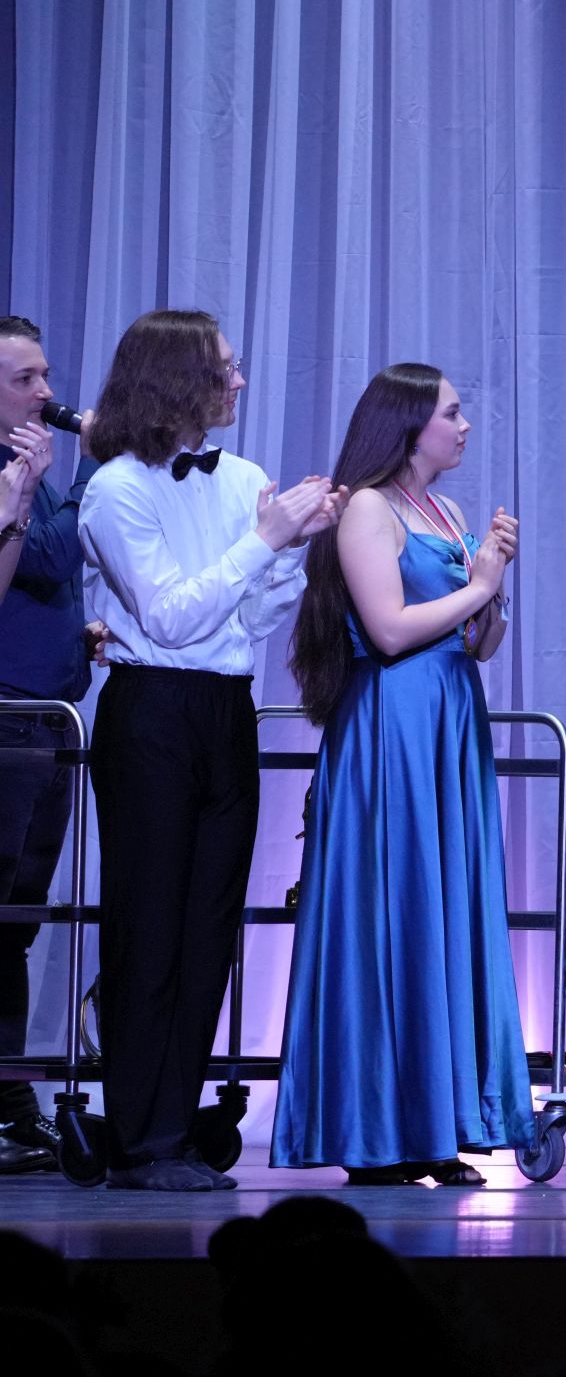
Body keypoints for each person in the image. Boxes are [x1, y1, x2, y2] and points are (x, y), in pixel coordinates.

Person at [78, 310, 341, 1189]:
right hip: (151, 709)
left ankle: (173, 1129)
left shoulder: (245, 479)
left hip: (226, 708)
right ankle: (138, 1140)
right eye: (224, 368)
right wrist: (265, 541)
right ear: (174, 380)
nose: (238, 382)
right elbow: (169, 617)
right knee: (148, 926)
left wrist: (290, 552)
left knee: (208, 931)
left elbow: (248, 619)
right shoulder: (117, 488)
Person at [271, 365, 530, 1185]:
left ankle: (435, 1127)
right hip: (393, 727)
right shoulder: (368, 510)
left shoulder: (445, 513)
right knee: (393, 910)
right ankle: (376, 1132)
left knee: (440, 913)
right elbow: (387, 631)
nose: (464, 425)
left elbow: (475, 645)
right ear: (411, 425)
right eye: (452, 412)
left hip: (448, 721)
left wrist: (492, 588)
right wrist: (477, 585)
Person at [0, 318, 96, 1174]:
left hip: (47, 720)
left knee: (16, 925)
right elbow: (52, 554)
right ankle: (9, 1106)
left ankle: (11, 1103)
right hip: (8, 723)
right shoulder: (12, 476)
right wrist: (95, 461)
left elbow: (55, 575)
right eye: (25, 379)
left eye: (44, 375)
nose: (46, 393)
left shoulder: (30, 465)